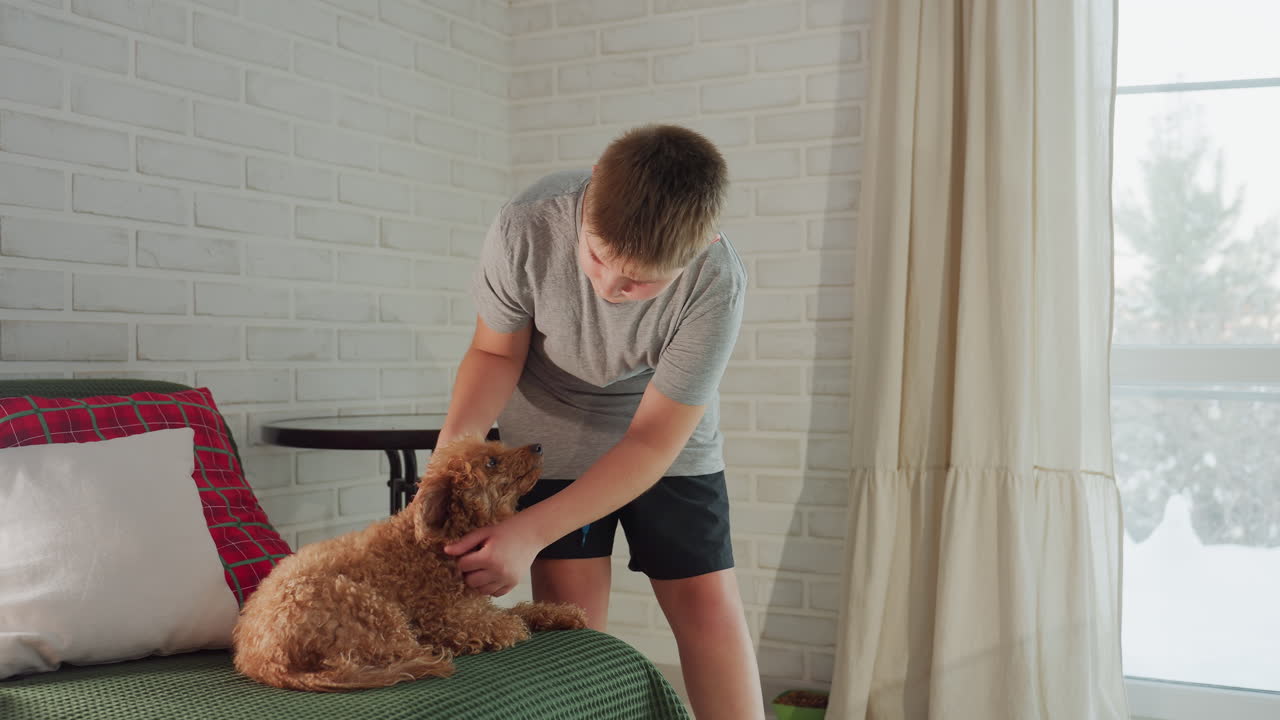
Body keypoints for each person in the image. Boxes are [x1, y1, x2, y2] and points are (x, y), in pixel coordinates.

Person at [436, 124, 763, 719]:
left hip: (662, 432)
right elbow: (493, 353)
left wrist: (530, 532)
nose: (610, 287)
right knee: (572, 629)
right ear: (589, 192)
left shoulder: (717, 280)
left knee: (707, 609)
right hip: (550, 426)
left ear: (702, 244)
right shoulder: (527, 225)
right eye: (596, 255)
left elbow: (653, 439)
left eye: (640, 281)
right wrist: (448, 458)